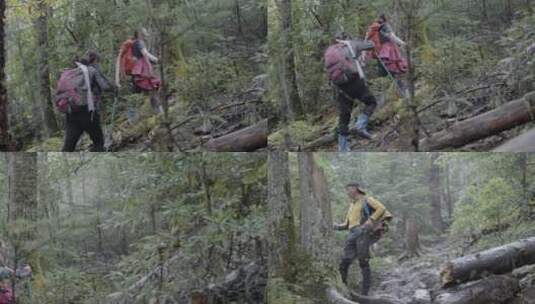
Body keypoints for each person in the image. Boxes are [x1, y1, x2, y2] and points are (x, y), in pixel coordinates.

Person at [333, 183, 392, 295]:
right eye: (346, 190)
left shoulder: (366, 200)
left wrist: (370, 220)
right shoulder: (351, 205)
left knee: (363, 261)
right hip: (351, 234)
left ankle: (365, 293)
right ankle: (344, 289)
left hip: (363, 232)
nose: (347, 192)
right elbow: (346, 224)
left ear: (356, 189)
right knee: (345, 261)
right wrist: (335, 226)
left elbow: (381, 208)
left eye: (349, 189)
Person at [324, 32, 379, 152]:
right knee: (371, 102)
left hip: (340, 88)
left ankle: (342, 149)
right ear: (344, 39)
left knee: (344, 117)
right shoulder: (351, 44)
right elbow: (371, 44)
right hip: (355, 81)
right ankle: (360, 126)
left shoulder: (329, 51)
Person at [59, 51, 115, 152]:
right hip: (88, 113)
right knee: (98, 142)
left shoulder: (73, 71)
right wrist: (115, 88)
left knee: (68, 146)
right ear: (94, 60)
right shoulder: (92, 70)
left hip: (71, 111)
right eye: (98, 61)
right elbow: (105, 86)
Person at [115, 28, 162, 113]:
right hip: (142, 71)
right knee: (152, 88)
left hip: (136, 71)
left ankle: (133, 115)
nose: (146, 34)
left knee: (136, 93)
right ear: (140, 34)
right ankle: (158, 110)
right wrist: (157, 60)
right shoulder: (139, 43)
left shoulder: (134, 43)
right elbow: (145, 54)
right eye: (145, 32)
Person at [364, 14, 408, 94]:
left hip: (380, 52)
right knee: (393, 68)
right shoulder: (385, 26)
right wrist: (403, 43)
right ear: (385, 18)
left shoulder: (375, 28)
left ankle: (382, 91)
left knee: (383, 71)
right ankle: (401, 89)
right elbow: (392, 37)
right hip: (389, 50)